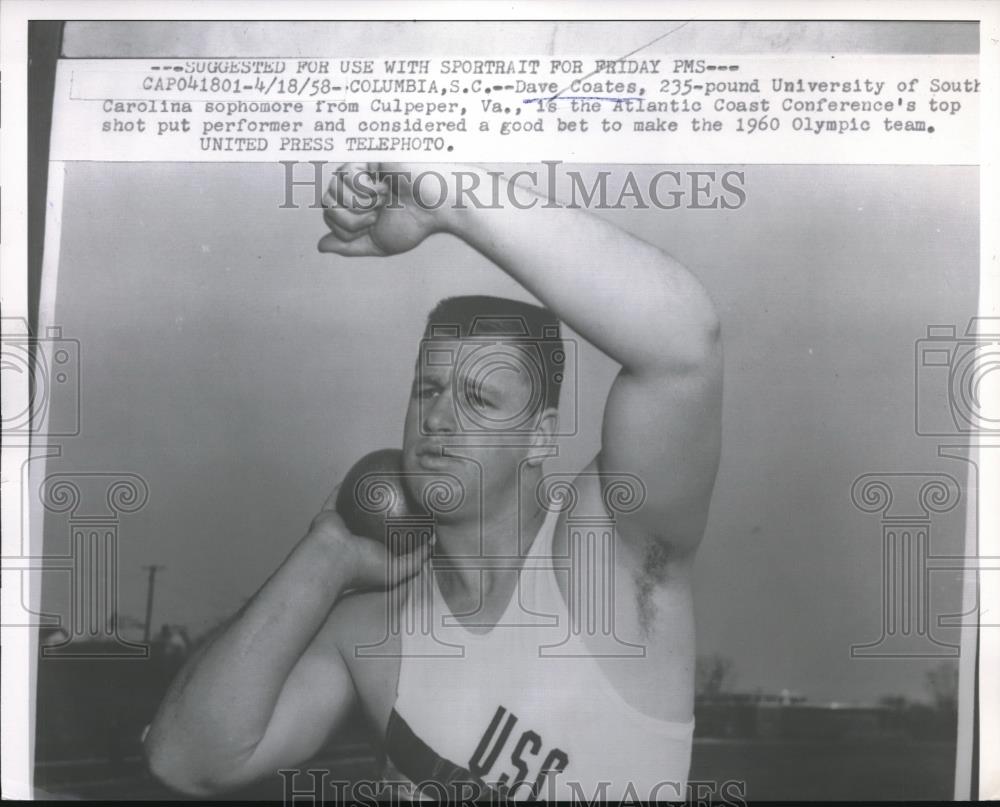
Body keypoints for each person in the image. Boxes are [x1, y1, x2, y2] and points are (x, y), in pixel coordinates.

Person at [143, 163, 723, 801]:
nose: (440, 417)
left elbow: (683, 347)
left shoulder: (607, 552)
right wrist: (328, 549)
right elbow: (187, 760)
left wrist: (450, 204)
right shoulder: (372, 631)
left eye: (479, 397)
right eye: (428, 390)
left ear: (541, 434)